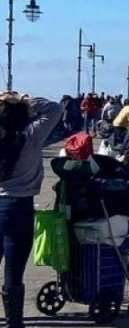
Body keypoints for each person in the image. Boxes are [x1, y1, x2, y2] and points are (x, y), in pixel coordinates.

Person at [0, 92, 64, 328]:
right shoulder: (31, 135)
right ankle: (14, 322)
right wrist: (26, 100)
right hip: (19, 206)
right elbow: (55, 109)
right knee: (14, 270)